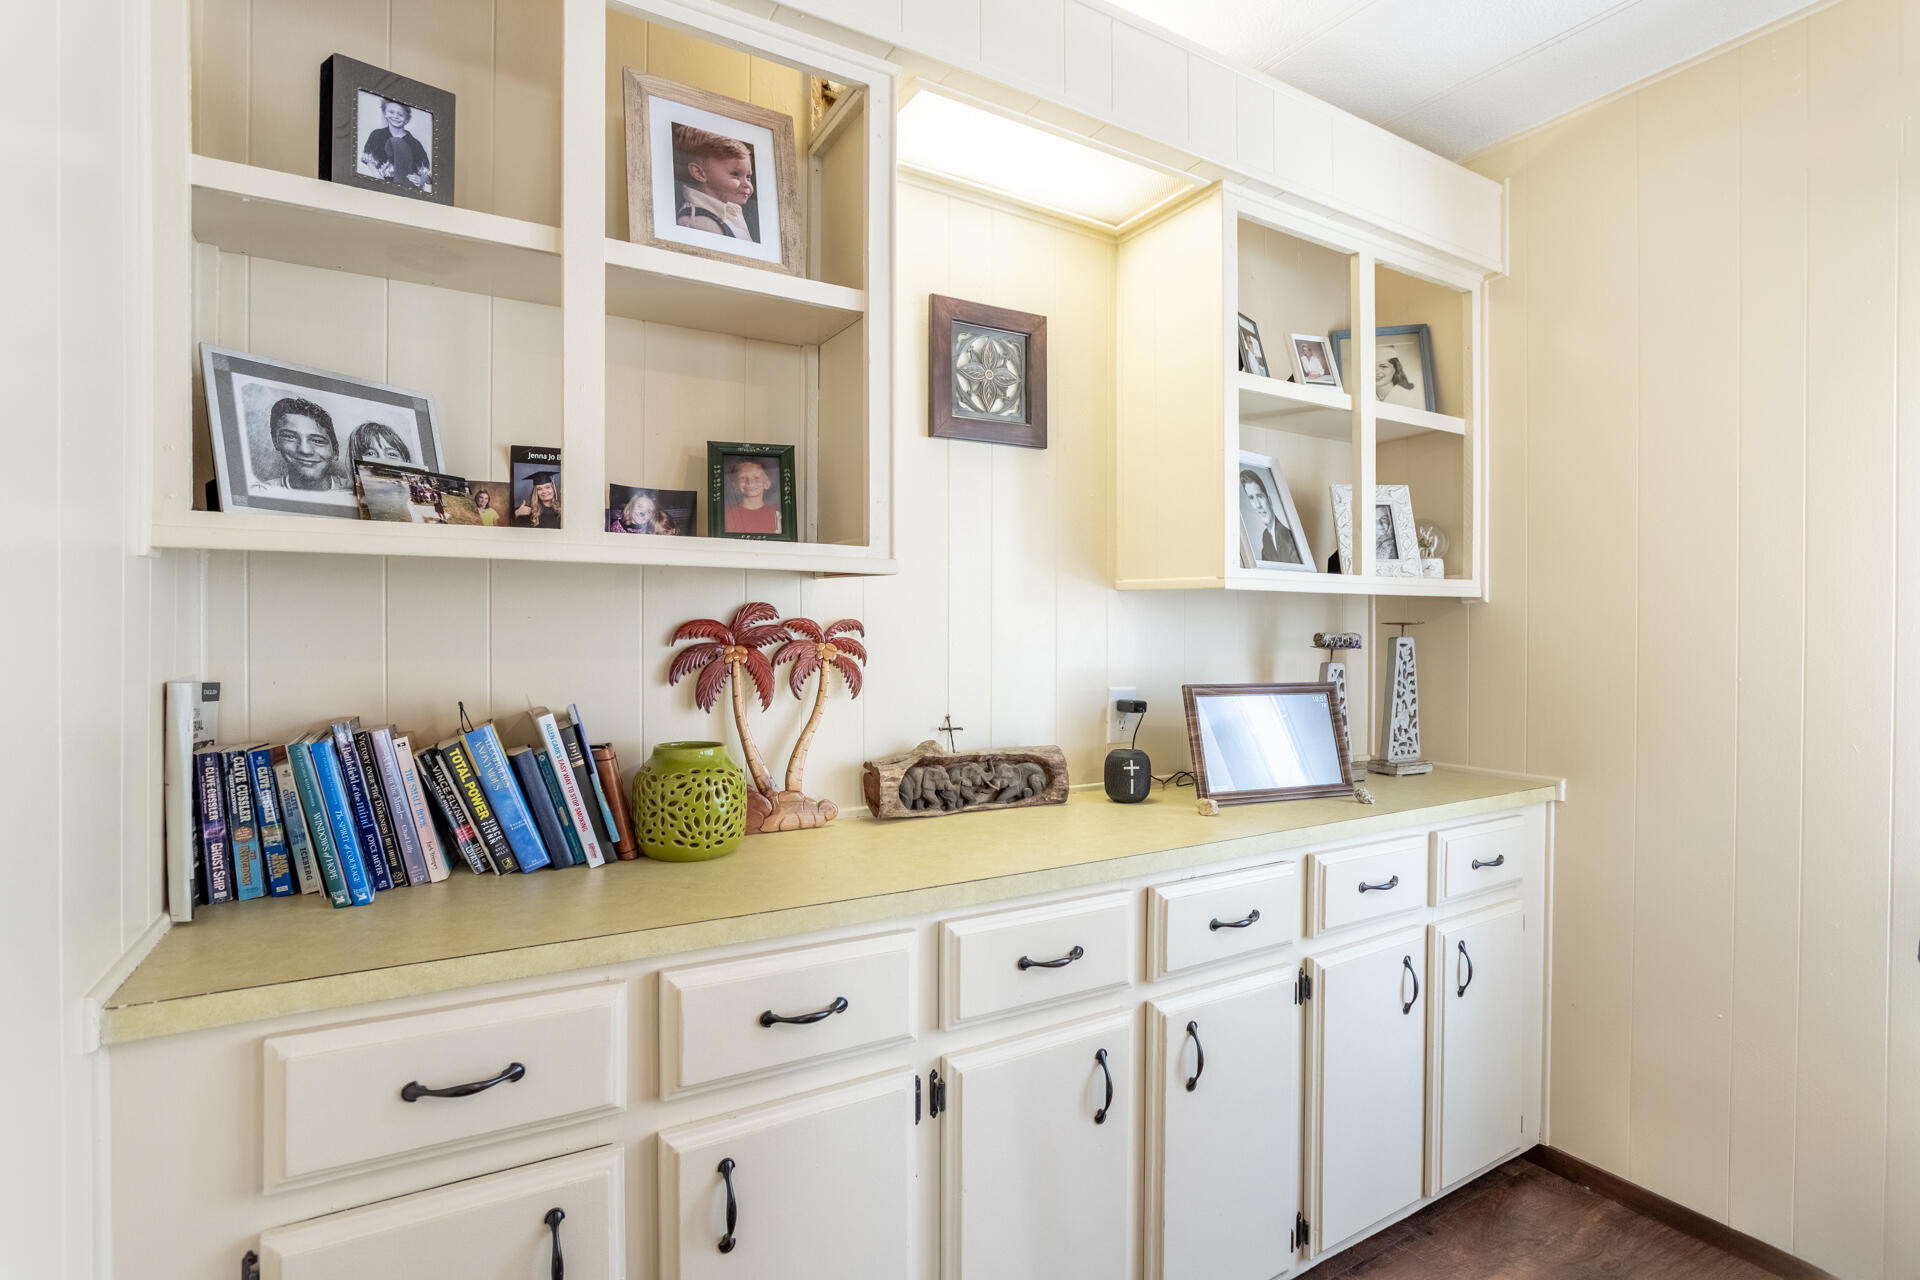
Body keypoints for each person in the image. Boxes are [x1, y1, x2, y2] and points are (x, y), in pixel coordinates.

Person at [672, 124, 756, 242]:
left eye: (748, 176)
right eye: (735, 174)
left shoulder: (731, 208)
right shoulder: (698, 223)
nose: (747, 185)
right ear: (699, 173)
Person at [263, 396, 349, 491]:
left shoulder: (353, 490)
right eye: (290, 437)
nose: (305, 450)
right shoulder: (263, 490)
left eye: (318, 441)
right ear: (275, 441)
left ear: (335, 451)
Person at [361, 98, 431, 192]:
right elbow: (368, 159)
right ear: (385, 113)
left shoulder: (415, 143)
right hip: (384, 184)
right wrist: (377, 177)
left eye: (400, 114)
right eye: (391, 112)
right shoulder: (376, 135)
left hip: (407, 187)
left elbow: (426, 171)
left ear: (407, 119)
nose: (395, 116)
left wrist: (421, 180)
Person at [1240, 469, 1301, 565]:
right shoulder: (1266, 537)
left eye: (1259, 496)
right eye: (1252, 498)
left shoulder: (1287, 536)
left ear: (1269, 500)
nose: (1258, 505)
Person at [723, 457, 781, 535]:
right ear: (735, 485)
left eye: (756, 478)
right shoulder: (726, 516)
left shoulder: (777, 517)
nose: (750, 482)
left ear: (767, 484)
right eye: (743, 478)